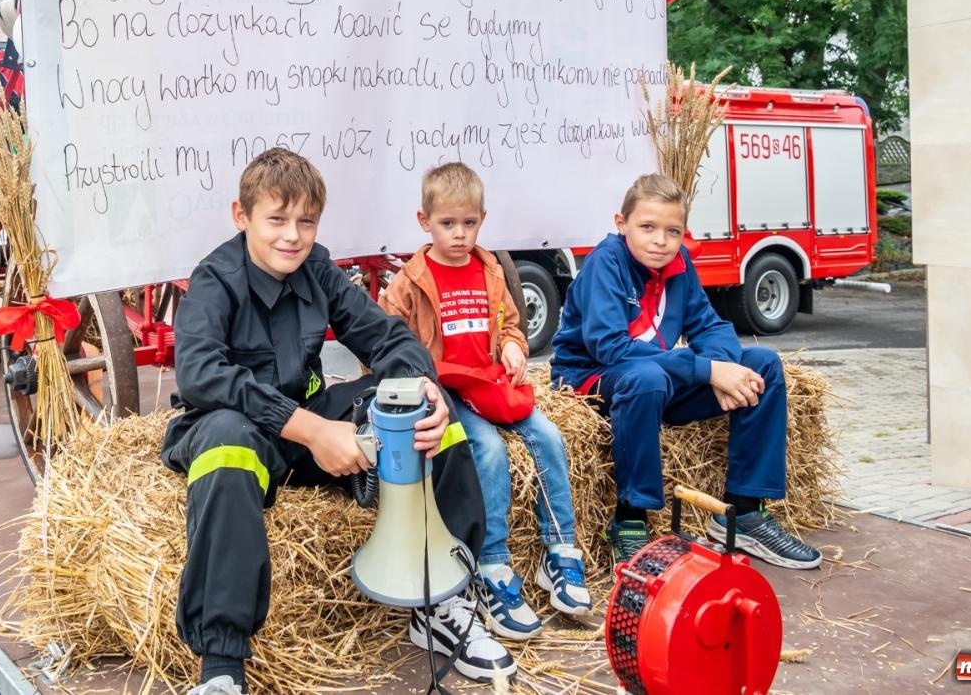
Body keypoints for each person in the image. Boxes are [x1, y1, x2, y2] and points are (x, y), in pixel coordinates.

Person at [163, 148, 514, 695]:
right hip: (239, 427)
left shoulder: (318, 267)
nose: (292, 236)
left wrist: (425, 386)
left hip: (310, 426)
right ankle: (222, 664)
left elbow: (387, 337)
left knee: (419, 412)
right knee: (227, 439)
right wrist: (312, 429)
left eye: (305, 221)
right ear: (242, 216)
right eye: (276, 219)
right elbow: (202, 374)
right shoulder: (215, 279)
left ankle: (444, 601)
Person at [551, 173, 822, 569]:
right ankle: (630, 520)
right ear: (621, 223)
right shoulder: (605, 263)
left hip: (657, 381)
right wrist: (706, 371)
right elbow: (610, 348)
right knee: (645, 379)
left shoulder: (678, 264)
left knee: (763, 364)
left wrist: (725, 369)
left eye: (672, 230)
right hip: (593, 381)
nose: (660, 240)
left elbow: (709, 325)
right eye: (647, 227)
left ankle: (744, 511)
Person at [378, 163, 593, 642]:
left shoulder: (490, 268)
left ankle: (560, 553)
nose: (459, 234)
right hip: (448, 392)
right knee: (490, 451)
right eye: (447, 224)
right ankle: (492, 565)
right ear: (424, 220)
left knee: (550, 437)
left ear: (482, 219)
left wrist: (515, 344)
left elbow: (511, 323)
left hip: (493, 386)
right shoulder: (411, 281)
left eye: (469, 223)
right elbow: (384, 339)